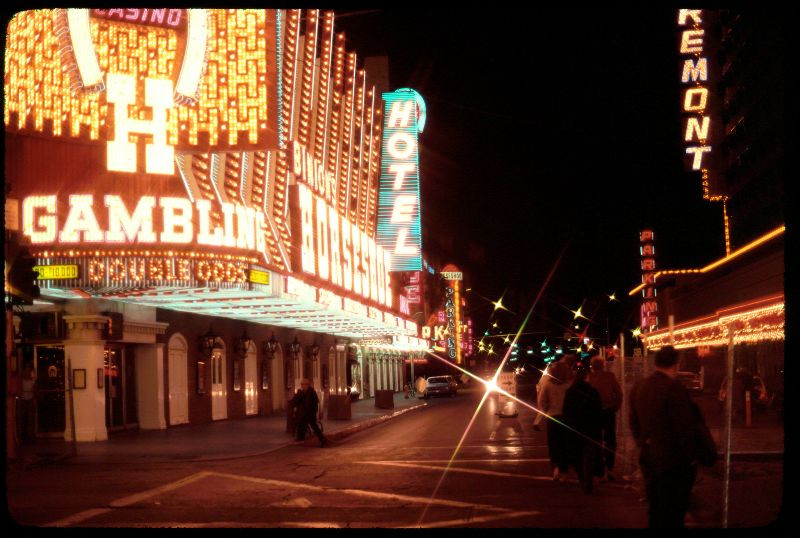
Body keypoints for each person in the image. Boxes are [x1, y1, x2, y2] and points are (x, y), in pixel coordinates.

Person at [630, 345, 701, 528]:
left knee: (655, 506)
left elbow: (633, 420)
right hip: (672, 459)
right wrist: (691, 456)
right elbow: (684, 426)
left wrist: (643, 441)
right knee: (673, 510)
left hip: (648, 454)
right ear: (676, 364)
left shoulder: (640, 386)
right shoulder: (674, 389)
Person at [562, 365, 604, 494]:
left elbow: (566, 411)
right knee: (589, 456)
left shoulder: (570, 392)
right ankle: (588, 481)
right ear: (586, 377)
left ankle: (582, 479)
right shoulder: (593, 391)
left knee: (576, 456)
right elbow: (598, 410)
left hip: (575, 428)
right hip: (590, 428)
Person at [588, 355, 622, 480]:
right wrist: (615, 407)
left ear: (592, 366)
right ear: (603, 365)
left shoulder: (589, 378)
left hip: (593, 413)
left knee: (596, 440)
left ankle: (598, 469)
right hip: (608, 411)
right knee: (610, 440)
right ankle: (610, 467)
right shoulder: (610, 377)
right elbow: (619, 394)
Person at [537, 360, 571, 481]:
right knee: (565, 445)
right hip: (565, 418)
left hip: (552, 417)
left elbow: (542, 401)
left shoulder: (547, 385)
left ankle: (555, 468)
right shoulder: (568, 386)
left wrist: (547, 409)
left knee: (553, 445)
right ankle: (564, 471)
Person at [289, 379, 327, 447]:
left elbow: (314, 403)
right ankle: (301, 439)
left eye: (304, 385)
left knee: (314, 426)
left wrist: (312, 412)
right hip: (304, 413)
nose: (302, 386)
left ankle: (322, 439)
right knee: (301, 424)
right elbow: (296, 401)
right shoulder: (302, 392)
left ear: (307, 385)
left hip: (310, 414)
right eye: (302, 385)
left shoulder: (312, 392)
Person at [18, 363, 37, 443]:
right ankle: (23, 435)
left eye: (29, 369)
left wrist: (34, 399)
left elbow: (34, 388)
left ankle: (30, 435)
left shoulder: (32, 380)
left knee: (30, 419)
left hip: (30, 399)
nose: (28, 371)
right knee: (23, 418)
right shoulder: (21, 380)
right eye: (26, 369)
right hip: (23, 400)